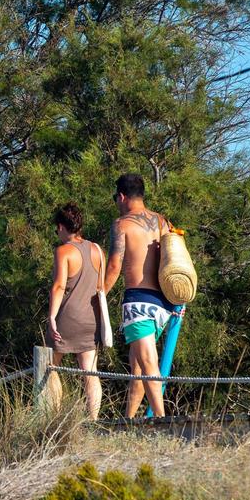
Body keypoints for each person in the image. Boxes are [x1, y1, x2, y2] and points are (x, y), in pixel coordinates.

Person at [100, 173, 175, 418]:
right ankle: (128, 419)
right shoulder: (163, 221)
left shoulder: (122, 224)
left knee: (148, 364)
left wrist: (99, 297)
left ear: (121, 196)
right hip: (163, 303)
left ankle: (162, 421)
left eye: (116, 198)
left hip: (138, 303)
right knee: (138, 368)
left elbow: (114, 266)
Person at [45, 202, 106, 418]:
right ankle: (94, 420)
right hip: (92, 319)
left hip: (67, 317)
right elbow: (101, 286)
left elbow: (59, 285)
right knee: (90, 371)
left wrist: (52, 317)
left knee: (50, 367)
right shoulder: (98, 250)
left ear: (61, 227)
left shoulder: (63, 251)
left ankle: (54, 417)